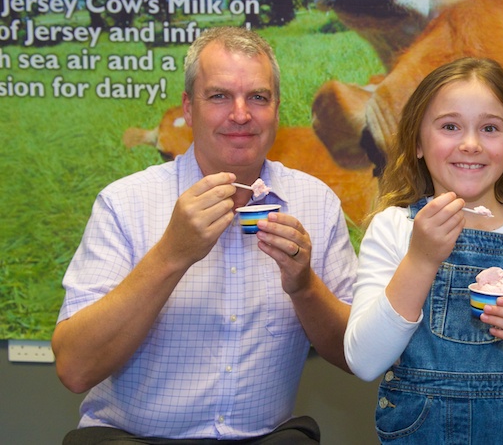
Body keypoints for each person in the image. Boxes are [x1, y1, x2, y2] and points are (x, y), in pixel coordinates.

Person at [52, 26, 357, 444]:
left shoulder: (315, 203)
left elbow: (355, 355)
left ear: (277, 109)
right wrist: (171, 255)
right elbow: (74, 368)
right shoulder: (125, 203)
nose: (240, 115)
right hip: (132, 437)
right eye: (218, 96)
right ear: (188, 109)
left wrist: (305, 287)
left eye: (258, 97)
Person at [344, 57, 503, 443]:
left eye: (490, 128)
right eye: (450, 126)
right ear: (417, 142)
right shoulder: (393, 228)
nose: (470, 144)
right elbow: (363, 361)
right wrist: (421, 259)